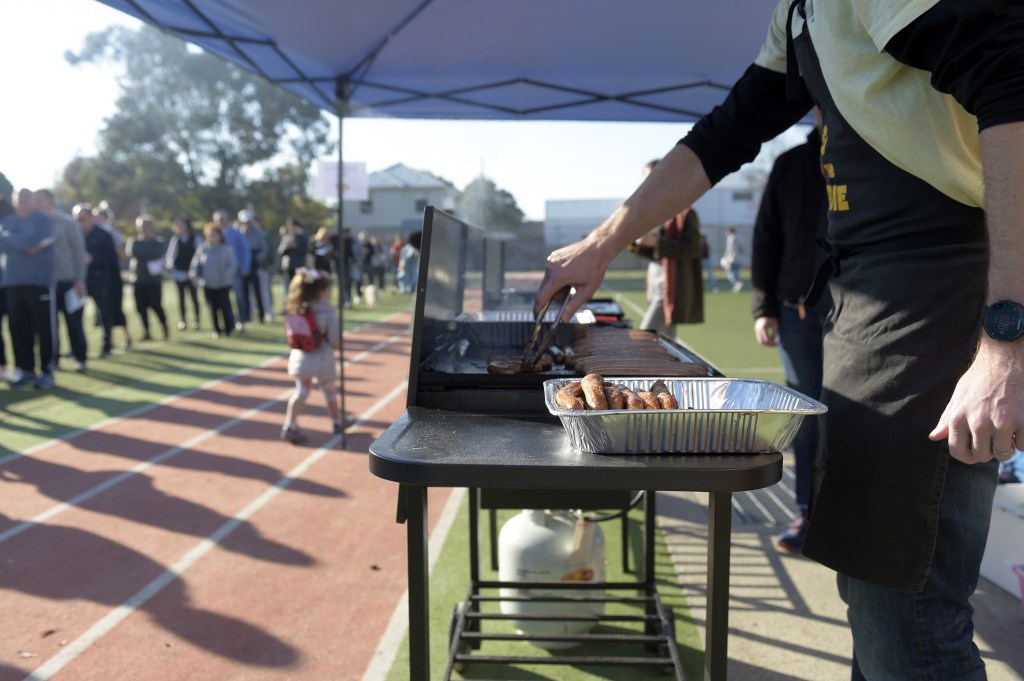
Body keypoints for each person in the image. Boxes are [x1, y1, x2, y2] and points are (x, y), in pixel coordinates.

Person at [535, 2, 1024, 678]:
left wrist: (1006, 338)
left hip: (941, 282)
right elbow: (728, 132)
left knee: (908, 617)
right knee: (868, 585)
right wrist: (600, 243)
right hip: (866, 294)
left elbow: (1011, 75)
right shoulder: (798, 13)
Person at [750, 109, 830, 553]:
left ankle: (857, 517)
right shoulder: (790, 164)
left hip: (865, 315)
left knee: (864, 420)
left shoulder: (879, 152)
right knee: (810, 418)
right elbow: (766, 237)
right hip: (798, 312)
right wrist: (763, 307)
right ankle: (809, 515)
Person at [629, 159, 704, 336]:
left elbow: (692, 248)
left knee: (645, 337)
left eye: (651, 179)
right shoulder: (651, 212)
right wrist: (637, 242)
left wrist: (656, 242)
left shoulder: (685, 213)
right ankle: (673, 365)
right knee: (667, 341)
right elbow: (656, 254)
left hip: (670, 284)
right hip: (654, 282)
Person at [0, 189, 56, 389]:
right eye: (19, 199)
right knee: (18, 329)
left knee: (43, 328)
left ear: (34, 200)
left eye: (26, 198)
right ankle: (26, 370)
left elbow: (30, 241)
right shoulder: (8, 221)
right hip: (12, 283)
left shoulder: (42, 219)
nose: (22, 202)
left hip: (38, 282)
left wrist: (11, 240)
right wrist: (21, 243)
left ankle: (47, 371)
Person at [281, 267, 342, 444]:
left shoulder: (296, 309)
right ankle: (337, 422)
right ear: (322, 291)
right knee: (329, 390)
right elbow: (334, 340)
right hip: (322, 358)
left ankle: (289, 425)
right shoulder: (327, 311)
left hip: (301, 357)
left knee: (301, 391)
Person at [36, 189, 88, 373]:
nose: (36, 202)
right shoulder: (37, 224)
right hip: (46, 283)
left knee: (74, 322)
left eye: (40, 199)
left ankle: (81, 358)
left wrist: (80, 279)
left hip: (71, 282)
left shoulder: (67, 223)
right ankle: (53, 360)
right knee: (49, 325)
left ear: (50, 200)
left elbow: (79, 253)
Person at [76, 203, 122, 358]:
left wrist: (93, 259)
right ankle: (78, 349)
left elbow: (112, 258)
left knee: (104, 313)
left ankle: (107, 345)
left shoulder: (103, 235)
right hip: (79, 281)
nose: (80, 220)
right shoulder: (75, 234)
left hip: (100, 280)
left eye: (83, 217)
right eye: (77, 218)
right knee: (75, 315)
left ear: (90, 217)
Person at [126, 215, 169, 341]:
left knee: (156, 305)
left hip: (154, 280)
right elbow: (133, 253)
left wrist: (144, 254)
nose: (143, 229)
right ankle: (146, 330)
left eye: (146, 226)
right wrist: (147, 255)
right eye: (141, 227)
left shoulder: (158, 242)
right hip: (138, 279)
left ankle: (164, 326)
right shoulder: (134, 241)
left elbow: (156, 253)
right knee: (140, 307)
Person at [190, 224, 237, 339]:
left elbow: (233, 265)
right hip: (208, 283)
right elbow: (195, 264)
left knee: (224, 306)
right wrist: (195, 275)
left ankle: (229, 327)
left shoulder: (226, 248)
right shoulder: (203, 248)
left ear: (220, 236)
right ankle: (216, 329)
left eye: (214, 234)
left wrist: (226, 275)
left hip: (223, 283)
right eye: (209, 235)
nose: (212, 237)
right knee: (212, 307)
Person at [93, 207, 130, 349]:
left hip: (113, 275)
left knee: (116, 307)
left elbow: (122, 254)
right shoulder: (94, 234)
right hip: (100, 276)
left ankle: (127, 336)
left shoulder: (113, 234)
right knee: (103, 310)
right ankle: (110, 339)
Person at [213, 209, 251, 331]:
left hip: (235, 271)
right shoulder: (213, 236)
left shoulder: (236, 233)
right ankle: (229, 321)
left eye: (223, 219)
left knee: (239, 297)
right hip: (219, 274)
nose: (221, 222)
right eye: (218, 220)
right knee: (224, 300)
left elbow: (245, 250)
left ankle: (241, 320)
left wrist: (245, 267)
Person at [165, 217, 202, 330]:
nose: (181, 229)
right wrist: (169, 265)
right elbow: (170, 255)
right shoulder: (176, 239)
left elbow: (199, 254)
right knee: (181, 298)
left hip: (191, 273)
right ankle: (183, 320)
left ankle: (197, 320)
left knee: (194, 297)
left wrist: (196, 270)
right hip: (179, 273)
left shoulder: (196, 238)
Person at [237, 209, 268, 324]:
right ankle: (247, 315)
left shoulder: (257, 233)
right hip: (242, 265)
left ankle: (261, 315)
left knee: (257, 291)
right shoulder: (239, 233)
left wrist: (256, 259)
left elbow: (264, 249)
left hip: (254, 264)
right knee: (244, 292)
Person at [277, 218, 308, 303]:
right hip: (287, 266)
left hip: (298, 266)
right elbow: (280, 251)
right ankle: (288, 304)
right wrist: (286, 246)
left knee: (298, 286)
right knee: (287, 287)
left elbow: (304, 251)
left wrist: (294, 246)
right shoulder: (287, 237)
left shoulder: (302, 238)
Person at [720, 227, 745, 292]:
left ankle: (738, 284)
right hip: (739, 258)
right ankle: (738, 286)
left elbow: (730, 249)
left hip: (732, 258)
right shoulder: (739, 237)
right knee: (736, 272)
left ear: (729, 231)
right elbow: (742, 249)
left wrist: (728, 258)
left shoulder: (731, 238)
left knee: (730, 272)